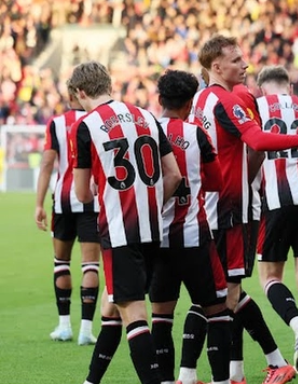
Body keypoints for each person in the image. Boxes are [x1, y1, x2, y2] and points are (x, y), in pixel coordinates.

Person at [187, 34, 298, 384]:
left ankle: (233, 371)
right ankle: (251, 367)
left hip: (216, 208)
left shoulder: (200, 99)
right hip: (232, 209)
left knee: (222, 294)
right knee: (223, 295)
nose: (245, 65)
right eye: (236, 60)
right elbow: (257, 141)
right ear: (216, 66)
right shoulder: (230, 101)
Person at [70, 60, 182, 384]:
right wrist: (150, 204)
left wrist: (94, 187)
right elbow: (173, 175)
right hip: (151, 227)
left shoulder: (87, 125)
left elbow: (82, 193)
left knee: (133, 313)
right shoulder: (146, 115)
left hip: (119, 230)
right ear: (108, 84)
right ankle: (91, 381)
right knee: (112, 308)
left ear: (80, 92)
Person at [146, 69, 234, 384]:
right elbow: (216, 183)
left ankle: (168, 381)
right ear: (190, 103)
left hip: (157, 240)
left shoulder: (146, 132)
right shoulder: (196, 134)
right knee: (217, 312)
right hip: (194, 237)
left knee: (161, 318)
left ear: (159, 100)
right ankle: (222, 380)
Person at [253, 65, 298, 375]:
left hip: (274, 199)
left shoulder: (255, 108)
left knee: (269, 276)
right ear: (291, 87)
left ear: (261, 89)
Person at [35, 85, 100, 345]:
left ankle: (64, 326)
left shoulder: (56, 123)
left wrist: (38, 203)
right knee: (90, 265)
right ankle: (86, 329)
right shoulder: (96, 120)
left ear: (70, 95)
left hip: (62, 201)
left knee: (60, 262)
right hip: (90, 201)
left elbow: (48, 163)